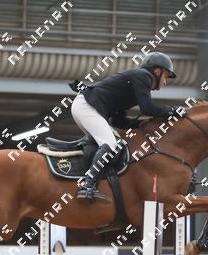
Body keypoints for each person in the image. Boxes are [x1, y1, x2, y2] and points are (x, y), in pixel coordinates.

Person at [71, 52, 178, 202]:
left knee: (113, 143)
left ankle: (92, 181)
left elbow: (118, 121)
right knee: (110, 144)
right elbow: (147, 108)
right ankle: (87, 186)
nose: (165, 82)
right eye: (166, 76)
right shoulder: (144, 76)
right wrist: (172, 111)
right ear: (158, 71)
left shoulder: (135, 82)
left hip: (85, 106)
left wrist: (141, 124)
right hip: (87, 107)